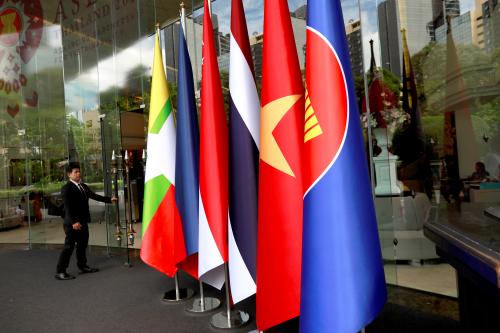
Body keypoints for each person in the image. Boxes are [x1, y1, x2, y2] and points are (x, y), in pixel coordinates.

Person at [55, 162, 116, 280]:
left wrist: (110, 199)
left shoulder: (83, 186)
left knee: (82, 245)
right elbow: (67, 207)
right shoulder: (66, 188)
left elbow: (94, 196)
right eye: (75, 172)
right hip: (72, 223)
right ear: (69, 174)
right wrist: (74, 222)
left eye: (79, 171)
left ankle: (83, 266)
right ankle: (60, 271)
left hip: (82, 221)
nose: (78, 174)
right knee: (69, 247)